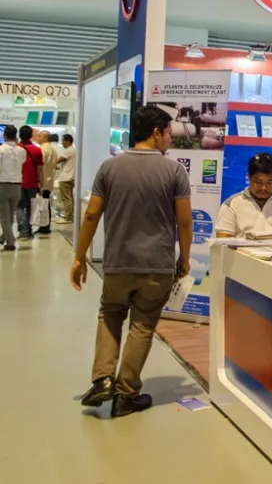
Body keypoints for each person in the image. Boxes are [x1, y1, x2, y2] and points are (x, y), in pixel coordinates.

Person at [70, 105, 193, 418]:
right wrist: (184, 257)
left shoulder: (109, 167)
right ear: (156, 133)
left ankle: (103, 378)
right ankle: (126, 394)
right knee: (142, 325)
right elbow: (184, 221)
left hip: (117, 262)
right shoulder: (174, 171)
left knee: (110, 314)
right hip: (157, 265)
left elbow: (92, 214)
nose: (170, 139)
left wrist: (79, 256)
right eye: (168, 133)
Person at [215, 153, 272, 237]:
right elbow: (223, 242)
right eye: (258, 182)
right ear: (249, 177)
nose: (263, 188)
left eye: (269, 182)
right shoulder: (232, 204)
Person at [0, 126, 27, 250]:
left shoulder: (1, 149)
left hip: (3, 184)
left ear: (4, 136)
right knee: (10, 215)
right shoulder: (21, 151)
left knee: (4, 216)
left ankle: (10, 241)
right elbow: (22, 162)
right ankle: (5, 236)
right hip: (17, 185)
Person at [15, 125, 43, 240]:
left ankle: (23, 232)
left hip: (18, 182)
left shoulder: (16, 149)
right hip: (32, 183)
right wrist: (42, 185)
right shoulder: (37, 150)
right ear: (31, 135)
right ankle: (29, 229)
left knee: (19, 207)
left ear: (20, 135)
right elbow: (39, 169)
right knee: (31, 207)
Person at [36, 130, 59, 235]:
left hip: (42, 180)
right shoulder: (53, 149)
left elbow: (40, 165)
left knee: (43, 203)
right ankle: (45, 225)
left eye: (39, 135)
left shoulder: (42, 149)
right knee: (45, 202)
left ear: (45, 138)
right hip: (49, 180)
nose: (37, 137)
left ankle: (44, 226)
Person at [57, 134, 76, 224]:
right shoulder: (74, 150)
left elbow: (58, 160)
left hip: (65, 178)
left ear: (68, 141)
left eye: (63, 141)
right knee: (70, 198)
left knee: (66, 199)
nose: (62, 143)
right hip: (71, 177)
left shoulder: (68, 150)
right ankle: (70, 216)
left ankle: (68, 217)